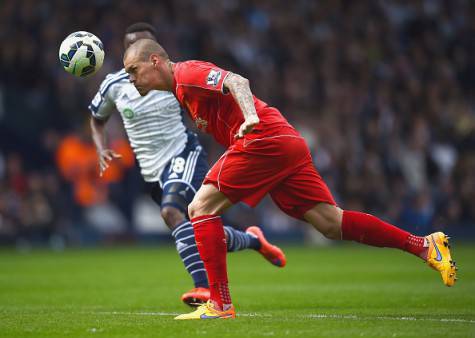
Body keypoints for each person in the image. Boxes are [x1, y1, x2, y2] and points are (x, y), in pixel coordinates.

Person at [123, 38, 458, 320]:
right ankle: (424, 245)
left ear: (155, 61)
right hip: (284, 142)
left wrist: (250, 117)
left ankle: (220, 303)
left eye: (134, 71)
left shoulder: (187, 73)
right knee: (330, 223)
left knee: (200, 207)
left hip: (262, 139)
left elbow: (237, 82)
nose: (132, 79)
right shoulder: (181, 91)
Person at [88, 23, 286, 307]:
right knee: (201, 231)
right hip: (151, 169)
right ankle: (254, 240)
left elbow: (212, 89)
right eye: (135, 45)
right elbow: (97, 117)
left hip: (183, 154)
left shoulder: (169, 77)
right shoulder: (114, 85)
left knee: (171, 212)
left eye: (147, 45)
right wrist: (100, 147)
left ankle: (203, 288)